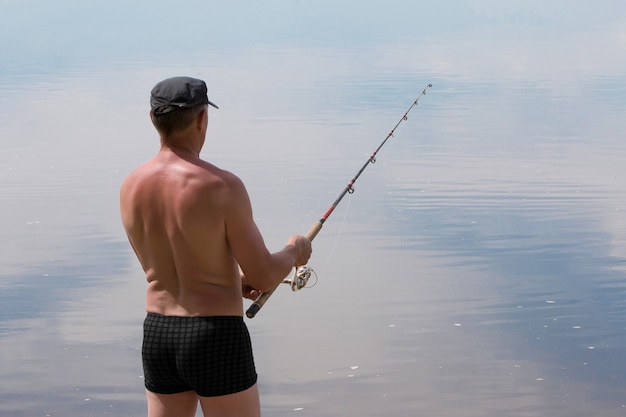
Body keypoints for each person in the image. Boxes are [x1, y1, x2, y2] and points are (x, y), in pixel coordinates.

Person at [120, 76, 312, 417]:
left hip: (159, 335)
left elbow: (166, 267)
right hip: (215, 337)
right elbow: (266, 276)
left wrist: (230, 282)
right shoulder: (222, 186)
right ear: (202, 118)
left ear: (153, 119)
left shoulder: (131, 186)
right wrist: (295, 249)